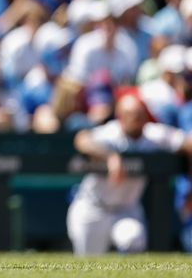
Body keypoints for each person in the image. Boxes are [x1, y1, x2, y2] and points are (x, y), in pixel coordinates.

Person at [67, 89, 192, 255]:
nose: (135, 119)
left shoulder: (153, 134)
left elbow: (187, 142)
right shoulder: (111, 133)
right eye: (130, 114)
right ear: (120, 116)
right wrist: (110, 157)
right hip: (94, 207)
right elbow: (81, 140)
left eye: (139, 114)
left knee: (133, 238)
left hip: (126, 209)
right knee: (86, 264)